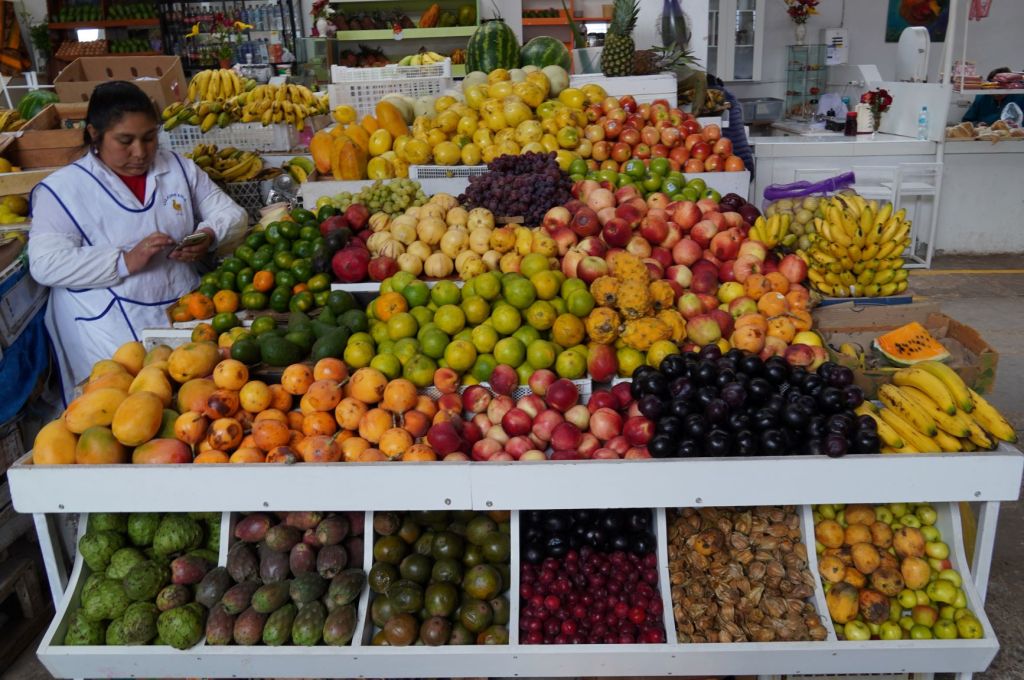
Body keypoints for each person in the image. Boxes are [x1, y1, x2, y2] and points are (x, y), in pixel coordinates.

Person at [28, 81, 248, 402]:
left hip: (185, 313)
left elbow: (231, 213)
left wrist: (209, 234)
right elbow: (45, 264)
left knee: (193, 405)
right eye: (125, 141)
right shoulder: (62, 190)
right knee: (126, 410)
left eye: (149, 138)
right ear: (94, 134)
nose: (140, 152)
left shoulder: (177, 168)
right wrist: (124, 260)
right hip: (108, 326)